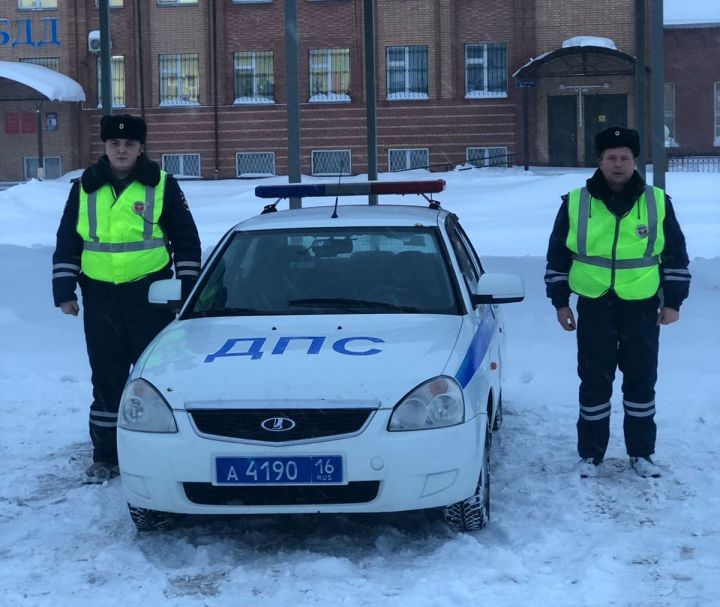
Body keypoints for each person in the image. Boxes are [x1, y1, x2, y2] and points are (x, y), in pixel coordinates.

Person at [52, 114, 202, 483]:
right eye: (115, 143)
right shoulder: (84, 188)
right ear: (104, 146)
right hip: (100, 296)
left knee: (157, 377)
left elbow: (186, 240)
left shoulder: (162, 184)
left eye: (130, 144)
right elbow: (68, 243)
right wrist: (64, 291)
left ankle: (165, 451)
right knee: (106, 377)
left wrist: (185, 291)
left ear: (141, 148)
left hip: (150, 295)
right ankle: (106, 455)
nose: (122, 149)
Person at [544, 126, 690, 479]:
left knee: (641, 383)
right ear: (600, 161)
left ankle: (641, 454)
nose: (619, 164)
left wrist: (674, 302)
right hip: (594, 306)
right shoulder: (575, 202)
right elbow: (557, 258)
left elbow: (675, 256)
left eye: (625, 157)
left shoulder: (656, 201)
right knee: (594, 381)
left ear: (635, 161)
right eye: (612, 157)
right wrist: (560, 303)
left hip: (641, 307)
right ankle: (591, 456)